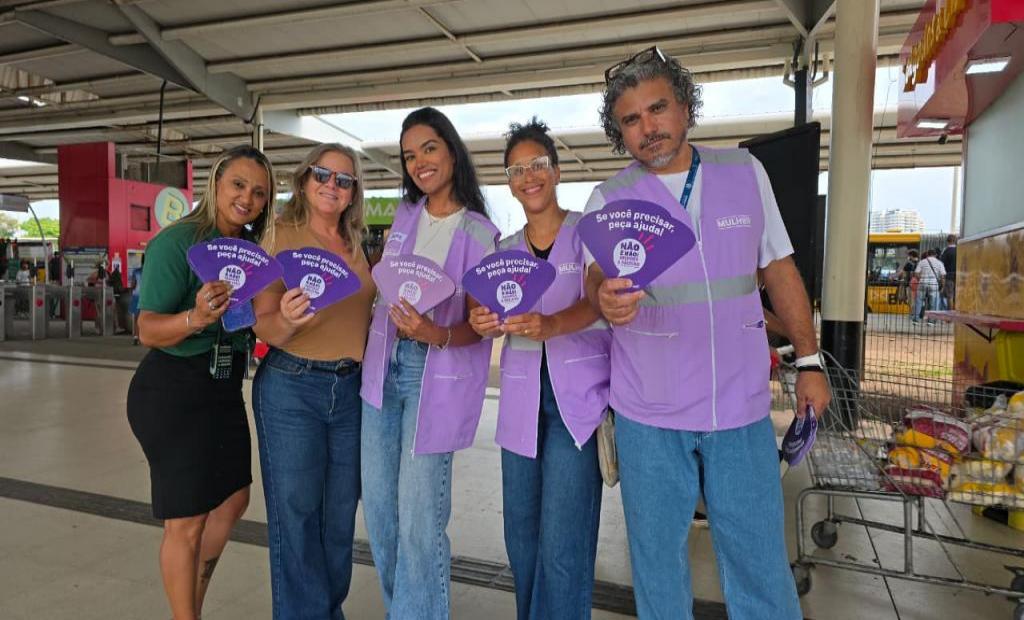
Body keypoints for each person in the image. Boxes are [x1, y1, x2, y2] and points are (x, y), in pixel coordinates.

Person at [584, 47, 831, 619]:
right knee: (657, 563)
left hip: (738, 410)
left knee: (758, 563)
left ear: (685, 107)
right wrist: (602, 294)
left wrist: (811, 364)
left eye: (658, 108)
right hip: (650, 415)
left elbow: (780, 268)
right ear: (620, 134)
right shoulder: (610, 199)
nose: (648, 127)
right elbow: (595, 273)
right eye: (631, 120)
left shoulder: (743, 173)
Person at [360, 107, 499, 619]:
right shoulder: (403, 216)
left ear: (451, 149)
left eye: (429, 148)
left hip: (431, 376)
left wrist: (433, 332)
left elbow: (478, 327)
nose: (419, 162)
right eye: (409, 155)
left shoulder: (482, 233)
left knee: (419, 519)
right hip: (382, 371)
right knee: (379, 512)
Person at [468, 119, 609, 620]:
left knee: (563, 545)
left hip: (577, 407)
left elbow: (597, 302)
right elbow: (481, 319)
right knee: (522, 540)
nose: (529, 176)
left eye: (538, 165)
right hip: (521, 409)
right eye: (517, 169)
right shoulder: (503, 251)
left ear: (556, 169)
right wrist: (481, 321)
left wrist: (551, 323)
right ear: (508, 180)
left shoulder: (587, 234)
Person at [126, 145, 275, 620]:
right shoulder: (178, 243)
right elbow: (147, 329)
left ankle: (190, 603)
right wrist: (195, 315)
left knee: (233, 497)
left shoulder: (253, 252)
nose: (246, 198)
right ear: (215, 183)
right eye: (238, 184)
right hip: (173, 388)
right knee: (186, 521)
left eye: (258, 192)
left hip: (223, 385)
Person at [251, 143, 377, 620]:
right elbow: (264, 324)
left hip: (351, 391)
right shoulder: (279, 234)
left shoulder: (356, 243)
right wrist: (287, 319)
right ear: (305, 180)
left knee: (339, 518)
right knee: (297, 519)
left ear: (352, 194)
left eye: (343, 180)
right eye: (323, 175)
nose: (332, 185)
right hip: (292, 386)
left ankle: (326, 610)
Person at [913, 248, 946, 324]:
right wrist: (943, 287)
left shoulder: (922, 262)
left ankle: (916, 319)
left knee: (919, 301)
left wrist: (921, 279)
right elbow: (942, 276)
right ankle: (931, 321)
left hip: (923, 283)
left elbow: (916, 273)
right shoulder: (939, 263)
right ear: (936, 255)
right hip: (933, 284)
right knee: (933, 303)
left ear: (927, 254)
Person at [130, 256, 144, 345]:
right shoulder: (151, 270)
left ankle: (136, 337)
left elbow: (133, 284)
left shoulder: (136, 271)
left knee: (136, 318)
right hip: (147, 296)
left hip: (136, 296)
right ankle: (145, 337)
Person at [940, 234, 957, 309]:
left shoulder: (946, 251)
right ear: (955, 241)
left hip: (949, 276)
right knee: (956, 296)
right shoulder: (959, 250)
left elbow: (941, 263)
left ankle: (950, 314)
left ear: (947, 241)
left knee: (949, 296)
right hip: (959, 276)